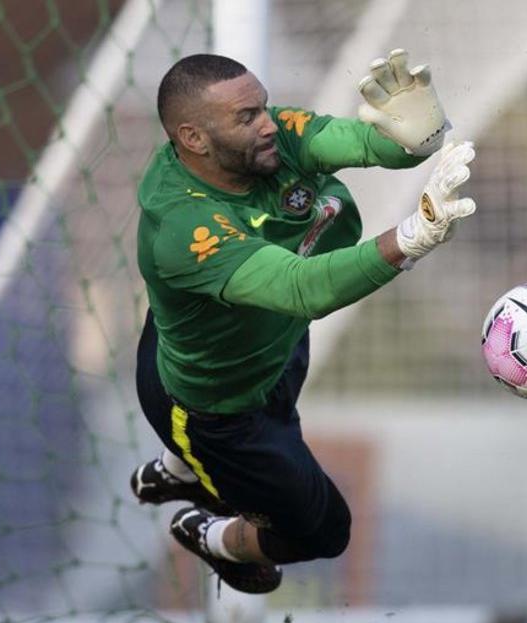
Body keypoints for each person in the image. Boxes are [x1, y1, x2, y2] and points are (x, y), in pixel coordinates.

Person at [130, 49, 477, 593]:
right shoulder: (183, 225)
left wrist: (419, 138)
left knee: (276, 308)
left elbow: (367, 144)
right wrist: (410, 239)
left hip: (269, 342)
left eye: (264, 107)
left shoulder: (267, 139)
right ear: (193, 138)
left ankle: (182, 472)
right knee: (325, 532)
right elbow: (302, 289)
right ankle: (212, 534)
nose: (270, 124)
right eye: (247, 118)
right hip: (217, 409)